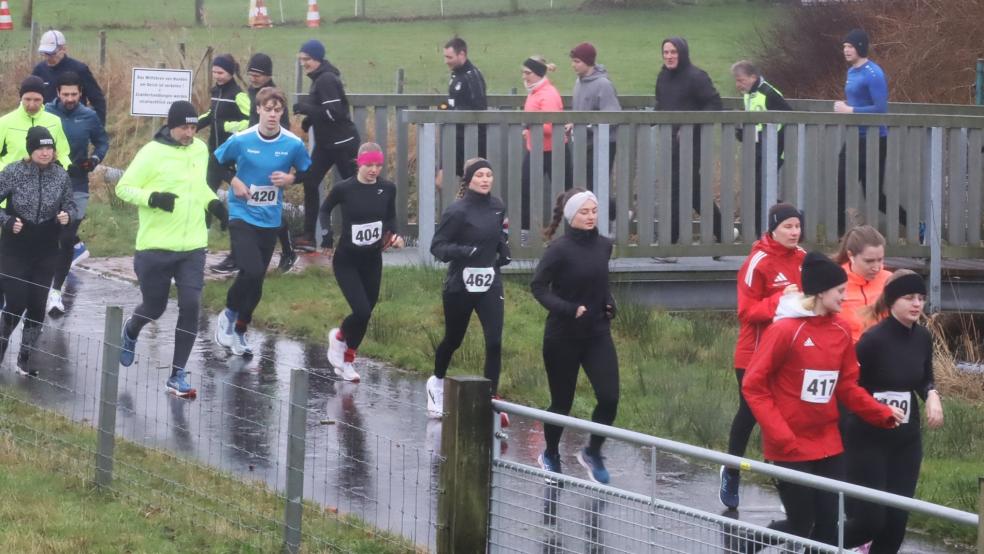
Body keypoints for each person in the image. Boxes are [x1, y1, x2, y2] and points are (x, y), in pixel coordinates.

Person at [741, 251, 903, 551]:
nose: (845, 296)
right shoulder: (785, 330)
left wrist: (881, 413)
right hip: (790, 447)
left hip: (829, 444)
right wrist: (781, 435)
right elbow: (754, 386)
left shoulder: (840, 329)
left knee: (829, 528)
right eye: (840, 291)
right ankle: (746, 541)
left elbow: (846, 386)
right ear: (820, 292)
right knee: (802, 525)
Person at [115, 101, 228, 398]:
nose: (189, 133)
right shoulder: (152, 152)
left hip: (193, 246)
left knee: (191, 305)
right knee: (155, 307)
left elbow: (197, 187)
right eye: (184, 128)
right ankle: (131, 330)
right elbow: (123, 187)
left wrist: (213, 203)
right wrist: (153, 198)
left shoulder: (199, 149)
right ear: (171, 125)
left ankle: (177, 374)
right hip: (155, 246)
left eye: (193, 127)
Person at [842, 270, 944, 553]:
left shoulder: (923, 337)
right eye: (909, 298)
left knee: (896, 523)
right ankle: (816, 542)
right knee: (870, 522)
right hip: (868, 439)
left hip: (905, 440)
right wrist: (877, 409)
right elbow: (850, 388)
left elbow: (925, 377)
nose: (917, 304)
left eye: (921, 298)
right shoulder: (872, 341)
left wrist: (932, 395)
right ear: (891, 301)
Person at [212, 88, 311, 359]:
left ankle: (241, 330)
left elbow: (308, 171)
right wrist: (234, 181)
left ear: (282, 113)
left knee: (256, 283)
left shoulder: (292, 144)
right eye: (267, 109)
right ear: (258, 110)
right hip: (242, 214)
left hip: (270, 218)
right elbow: (216, 162)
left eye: (277, 110)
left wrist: (291, 180)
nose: (272, 115)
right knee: (252, 270)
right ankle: (228, 315)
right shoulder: (242, 140)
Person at [531, 188, 619, 485]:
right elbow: (538, 287)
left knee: (609, 398)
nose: (590, 216)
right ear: (571, 216)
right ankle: (551, 454)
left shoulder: (605, 246)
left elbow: (599, 283)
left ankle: (592, 451)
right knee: (561, 403)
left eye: (594, 211)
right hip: (562, 335)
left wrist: (609, 303)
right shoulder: (559, 250)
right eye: (584, 212)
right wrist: (568, 309)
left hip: (596, 333)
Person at [720, 203, 805, 509]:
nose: (794, 233)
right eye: (788, 227)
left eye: (797, 227)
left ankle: (788, 486)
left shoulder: (803, 259)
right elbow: (746, 311)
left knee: (788, 416)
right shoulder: (757, 262)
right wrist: (781, 299)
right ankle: (731, 470)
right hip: (754, 354)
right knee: (751, 414)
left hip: (790, 355)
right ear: (773, 228)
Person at [426, 158, 510, 420]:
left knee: (494, 341)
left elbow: (499, 235)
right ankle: (437, 382)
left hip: (489, 282)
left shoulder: (497, 207)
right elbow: (437, 246)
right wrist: (463, 251)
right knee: (454, 339)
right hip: (460, 285)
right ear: (469, 180)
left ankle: (490, 398)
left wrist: (503, 250)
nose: (485, 179)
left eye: (489, 175)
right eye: (479, 175)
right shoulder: (457, 211)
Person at [320, 143, 404, 382]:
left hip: (372, 260)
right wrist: (326, 235)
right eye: (369, 165)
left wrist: (395, 234)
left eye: (378, 165)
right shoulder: (344, 189)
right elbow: (324, 211)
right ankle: (338, 337)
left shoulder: (387, 189)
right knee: (362, 309)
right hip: (346, 260)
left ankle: (347, 360)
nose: (373, 170)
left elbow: (390, 217)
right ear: (359, 163)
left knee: (367, 314)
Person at [0, 127, 74, 376]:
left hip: (45, 250)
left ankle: (24, 360)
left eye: (49, 148)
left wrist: (67, 216)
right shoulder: (13, 172)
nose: (45, 152)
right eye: (40, 148)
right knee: (17, 301)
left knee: (37, 305)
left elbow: (71, 204)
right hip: (15, 248)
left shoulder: (60, 176)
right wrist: (7, 220)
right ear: (31, 150)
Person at [45, 71, 110, 315]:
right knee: (49, 236)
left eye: (74, 94)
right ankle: (39, 286)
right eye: (65, 94)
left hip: (78, 185)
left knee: (66, 237)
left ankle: (55, 294)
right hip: (50, 183)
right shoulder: (47, 113)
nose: (70, 99)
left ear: (80, 93)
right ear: (58, 93)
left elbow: (103, 142)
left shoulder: (89, 116)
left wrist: (94, 159)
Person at [231, 53, 299, 273]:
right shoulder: (251, 94)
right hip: (252, 153)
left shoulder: (275, 98)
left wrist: (279, 156)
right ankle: (239, 253)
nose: (253, 78)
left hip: (276, 155)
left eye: (258, 75)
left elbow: (283, 127)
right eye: (250, 74)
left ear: (268, 75)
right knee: (249, 204)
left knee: (268, 203)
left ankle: (289, 250)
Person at [834, 29, 905, 236]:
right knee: (840, 185)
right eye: (844, 47)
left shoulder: (874, 73)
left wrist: (850, 110)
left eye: (850, 46)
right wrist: (847, 108)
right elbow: (859, 100)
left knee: (874, 195)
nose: (846, 50)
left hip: (874, 140)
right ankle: (840, 236)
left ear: (861, 47)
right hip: (854, 138)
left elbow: (881, 108)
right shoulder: (851, 72)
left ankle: (917, 227)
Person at [655, 37, 724, 244]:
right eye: (666, 52)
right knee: (693, 191)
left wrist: (690, 126)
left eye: (673, 52)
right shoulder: (663, 77)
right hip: (669, 143)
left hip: (692, 143)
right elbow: (661, 104)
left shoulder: (696, 77)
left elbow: (714, 104)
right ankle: (723, 231)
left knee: (678, 188)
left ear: (682, 53)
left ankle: (670, 241)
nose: (669, 56)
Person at [293, 39, 360, 252]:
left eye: (307, 59)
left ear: (318, 59)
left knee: (355, 189)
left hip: (343, 144)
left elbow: (335, 113)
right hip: (326, 145)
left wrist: (306, 109)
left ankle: (363, 235)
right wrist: (310, 120)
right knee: (310, 181)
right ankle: (309, 237)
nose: (304, 63)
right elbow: (324, 109)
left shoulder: (326, 80)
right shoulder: (319, 78)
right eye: (301, 59)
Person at [198, 54, 250, 274]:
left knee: (240, 199)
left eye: (220, 72)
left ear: (230, 73)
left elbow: (251, 121)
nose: (216, 76)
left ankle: (237, 246)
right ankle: (201, 242)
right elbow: (211, 114)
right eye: (214, 72)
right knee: (204, 196)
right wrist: (193, 122)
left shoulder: (238, 95)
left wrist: (230, 126)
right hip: (214, 154)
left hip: (232, 155)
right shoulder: (216, 93)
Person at [732, 60, 792, 236]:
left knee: (763, 190)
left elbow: (789, 117)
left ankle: (776, 225)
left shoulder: (769, 93)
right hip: (758, 148)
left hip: (774, 149)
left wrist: (777, 144)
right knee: (758, 190)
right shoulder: (748, 94)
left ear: (753, 77)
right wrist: (743, 132)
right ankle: (766, 231)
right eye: (736, 80)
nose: (738, 85)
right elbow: (755, 121)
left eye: (741, 80)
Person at [521, 55, 572, 231]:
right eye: (523, 72)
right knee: (526, 190)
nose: (524, 76)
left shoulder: (547, 94)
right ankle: (526, 232)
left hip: (552, 151)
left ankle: (572, 230)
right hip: (537, 149)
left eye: (527, 73)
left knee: (566, 193)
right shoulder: (536, 91)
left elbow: (551, 127)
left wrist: (528, 126)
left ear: (537, 73)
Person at [567, 42, 621, 198]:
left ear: (588, 62)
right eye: (573, 61)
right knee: (585, 189)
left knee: (595, 187)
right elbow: (581, 111)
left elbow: (613, 115)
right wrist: (574, 123)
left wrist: (589, 126)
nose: (573, 65)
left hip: (602, 144)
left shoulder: (603, 84)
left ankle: (616, 213)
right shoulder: (578, 82)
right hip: (584, 143)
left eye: (577, 61)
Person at [32, 30, 107, 124]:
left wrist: (98, 129)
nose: (48, 57)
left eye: (52, 53)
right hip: (47, 126)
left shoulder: (80, 69)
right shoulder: (39, 70)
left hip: (76, 124)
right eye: (45, 53)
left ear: (63, 49)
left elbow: (97, 100)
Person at [0, 76, 71, 170]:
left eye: (37, 100)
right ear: (21, 98)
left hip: (47, 182)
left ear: (43, 99)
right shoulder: (4, 122)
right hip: (12, 182)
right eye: (27, 99)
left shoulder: (55, 121)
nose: (32, 105)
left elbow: (62, 154)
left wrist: (68, 169)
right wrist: (6, 174)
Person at [835, 225, 891, 342]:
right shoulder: (834, 282)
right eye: (869, 261)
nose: (876, 267)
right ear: (851, 256)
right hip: (846, 353)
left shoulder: (890, 281)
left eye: (880, 259)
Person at [443, 37, 488, 176]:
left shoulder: (472, 76)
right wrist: (441, 109)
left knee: (462, 180)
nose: (446, 61)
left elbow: (479, 108)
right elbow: (452, 102)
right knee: (443, 180)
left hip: (469, 139)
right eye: (445, 57)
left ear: (461, 54)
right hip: (454, 136)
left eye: (449, 57)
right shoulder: (456, 74)